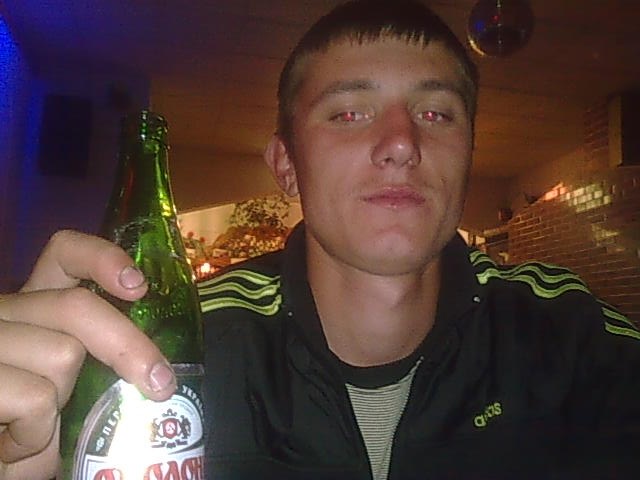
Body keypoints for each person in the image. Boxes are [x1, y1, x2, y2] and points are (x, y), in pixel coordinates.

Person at [1, 1, 639, 479]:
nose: (401, 143)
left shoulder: (573, 336)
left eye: (436, 113)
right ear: (286, 166)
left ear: (468, 153)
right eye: (349, 113)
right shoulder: (180, 344)